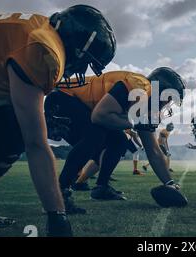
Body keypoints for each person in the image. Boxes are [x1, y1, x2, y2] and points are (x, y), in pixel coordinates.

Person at [0, 5, 116, 236]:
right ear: (77, 46)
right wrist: (57, 215)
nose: (80, 70)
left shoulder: (41, 30)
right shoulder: (43, 50)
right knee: (28, 137)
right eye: (85, 62)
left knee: (12, 136)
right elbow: (36, 144)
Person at [45, 67, 186, 207]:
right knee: (96, 135)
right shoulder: (138, 86)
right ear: (158, 89)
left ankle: (101, 187)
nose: (166, 104)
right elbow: (100, 116)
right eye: (168, 98)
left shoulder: (145, 107)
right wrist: (135, 122)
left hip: (83, 107)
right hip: (62, 98)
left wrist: (170, 183)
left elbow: (154, 151)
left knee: (119, 141)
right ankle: (59, 192)